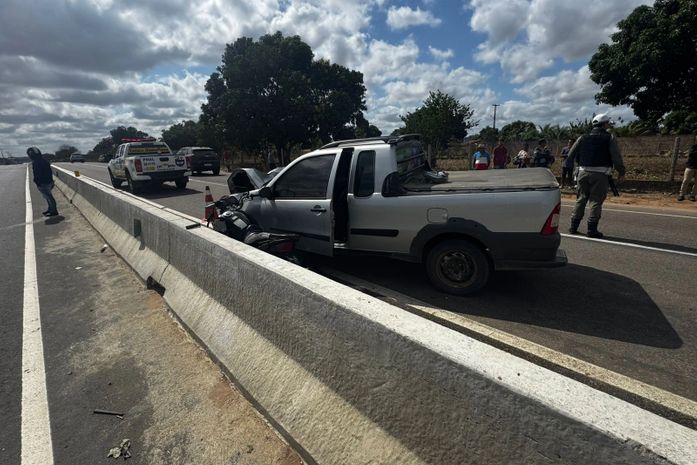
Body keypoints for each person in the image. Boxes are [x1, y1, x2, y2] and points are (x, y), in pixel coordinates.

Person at [568, 114, 625, 238]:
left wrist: (573, 171)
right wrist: (621, 171)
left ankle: (573, 227)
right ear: (605, 124)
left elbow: (570, 155)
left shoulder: (582, 138)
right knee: (595, 201)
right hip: (600, 174)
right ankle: (591, 230)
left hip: (582, 173)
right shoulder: (609, 138)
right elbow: (616, 157)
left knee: (581, 198)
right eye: (608, 123)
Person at [27, 147, 59, 216]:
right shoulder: (43, 160)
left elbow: (38, 173)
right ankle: (50, 209)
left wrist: (37, 182)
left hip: (43, 183)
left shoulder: (37, 162)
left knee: (49, 197)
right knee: (47, 197)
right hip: (48, 181)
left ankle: (54, 211)